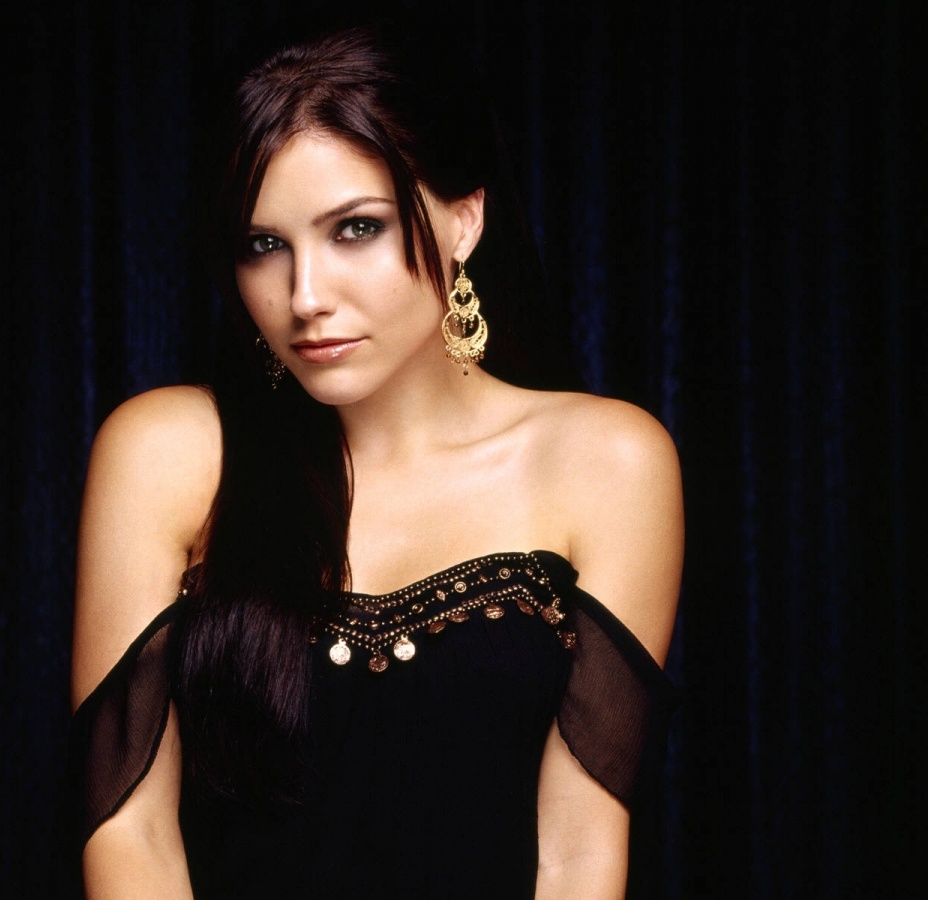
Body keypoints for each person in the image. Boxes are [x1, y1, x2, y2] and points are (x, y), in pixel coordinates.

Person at [70, 23, 682, 899]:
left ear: (464, 218)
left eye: (356, 229)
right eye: (263, 245)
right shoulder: (169, 452)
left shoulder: (608, 463)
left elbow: (578, 851)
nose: (305, 297)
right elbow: (129, 832)